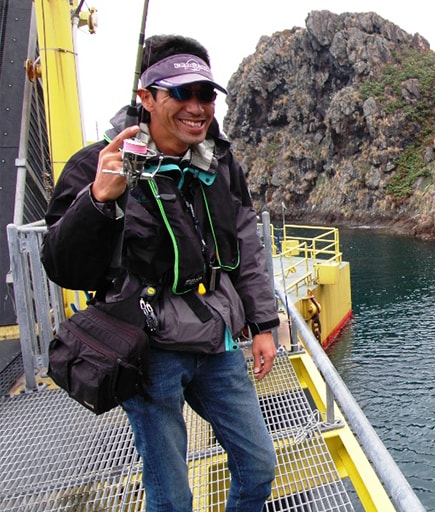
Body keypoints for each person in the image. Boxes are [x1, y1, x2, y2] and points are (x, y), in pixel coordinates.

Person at [42, 34, 278, 511]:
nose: (197, 106)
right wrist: (97, 200)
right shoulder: (98, 163)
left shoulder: (222, 162)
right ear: (146, 98)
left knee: (258, 466)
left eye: (205, 94)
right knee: (170, 496)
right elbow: (62, 264)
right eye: (181, 92)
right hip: (148, 351)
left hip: (216, 339)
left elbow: (247, 246)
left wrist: (264, 324)